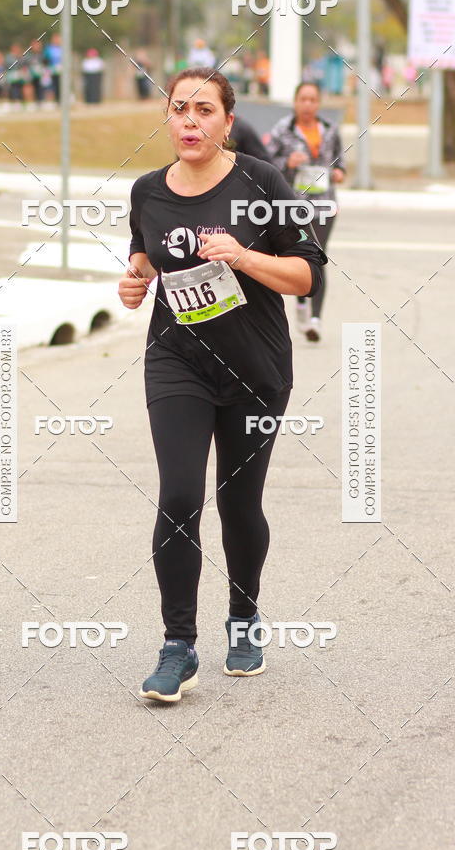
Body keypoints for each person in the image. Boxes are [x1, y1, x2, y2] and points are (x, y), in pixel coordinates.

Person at [118, 67, 327, 702]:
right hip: (176, 361)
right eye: (179, 108)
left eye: (204, 109)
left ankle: (244, 616)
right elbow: (145, 257)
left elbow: (305, 275)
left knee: (239, 506)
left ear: (227, 122)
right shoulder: (148, 191)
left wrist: (242, 256)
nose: (189, 120)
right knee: (179, 497)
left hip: (255, 370)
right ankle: (178, 646)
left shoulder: (261, 183)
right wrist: (133, 283)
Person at [266, 81, 345, 342]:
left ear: (319, 103)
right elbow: (266, 165)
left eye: (313, 100)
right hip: (294, 204)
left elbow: (340, 163)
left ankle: (316, 319)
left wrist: (338, 173)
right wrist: (287, 163)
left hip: (324, 203)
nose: (308, 105)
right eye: (303, 99)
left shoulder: (330, 131)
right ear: (295, 101)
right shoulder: (282, 130)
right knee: (303, 256)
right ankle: (301, 302)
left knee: (319, 255)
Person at [43, 34, 62, 103]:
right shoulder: (49, 48)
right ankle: (50, 101)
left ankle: (59, 100)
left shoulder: (62, 48)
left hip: (61, 71)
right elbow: (45, 59)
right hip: (50, 70)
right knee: (49, 86)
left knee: (60, 86)